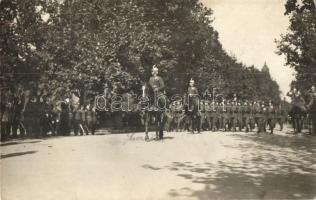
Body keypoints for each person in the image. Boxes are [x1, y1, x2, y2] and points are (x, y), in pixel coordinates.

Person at [148, 65, 165, 139]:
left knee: (163, 98)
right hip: (152, 93)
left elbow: (163, 85)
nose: (154, 73)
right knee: (146, 99)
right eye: (153, 71)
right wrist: (152, 88)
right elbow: (149, 85)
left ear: (157, 72)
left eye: (155, 71)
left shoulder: (159, 78)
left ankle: (164, 108)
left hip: (158, 92)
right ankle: (146, 111)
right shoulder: (150, 78)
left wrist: (158, 88)